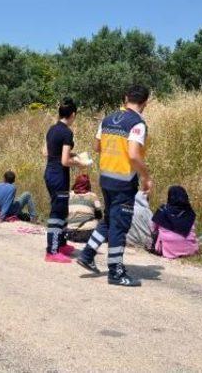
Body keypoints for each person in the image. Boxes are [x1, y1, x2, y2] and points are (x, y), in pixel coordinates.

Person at [77, 85, 152, 287]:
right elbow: (134, 154)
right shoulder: (138, 124)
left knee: (110, 219)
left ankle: (87, 254)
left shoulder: (107, 119)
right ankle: (116, 272)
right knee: (119, 225)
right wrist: (146, 177)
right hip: (124, 181)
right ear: (145, 102)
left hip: (106, 178)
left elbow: (96, 147)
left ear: (126, 98)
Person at [43, 98, 86, 263]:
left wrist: (70, 155)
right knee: (57, 212)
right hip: (59, 176)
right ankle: (52, 251)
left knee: (62, 210)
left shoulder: (52, 129)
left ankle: (61, 244)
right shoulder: (67, 132)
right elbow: (64, 161)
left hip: (50, 173)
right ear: (73, 114)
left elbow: (46, 152)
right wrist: (79, 162)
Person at [150, 186, 199, 259]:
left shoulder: (163, 210)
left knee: (156, 233)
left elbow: (153, 228)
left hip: (169, 251)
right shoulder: (190, 213)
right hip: (190, 250)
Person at [66, 174, 102, 243]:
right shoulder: (92, 196)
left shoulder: (69, 195)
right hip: (88, 233)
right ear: (88, 184)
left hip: (70, 233)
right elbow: (99, 215)